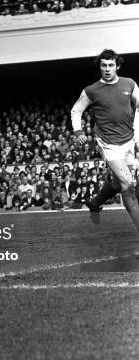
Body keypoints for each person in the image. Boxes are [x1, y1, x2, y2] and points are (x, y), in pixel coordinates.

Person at [71, 49, 139, 229]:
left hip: (128, 140)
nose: (107, 69)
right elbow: (76, 110)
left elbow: (138, 107)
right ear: (100, 67)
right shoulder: (91, 90)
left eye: (110, 65)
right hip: (108, 143)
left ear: (117, 66)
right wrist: (78, 133)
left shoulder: (129, 84)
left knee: (118, 183)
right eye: (103, 65)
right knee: (128, 183)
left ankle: (94, 202)